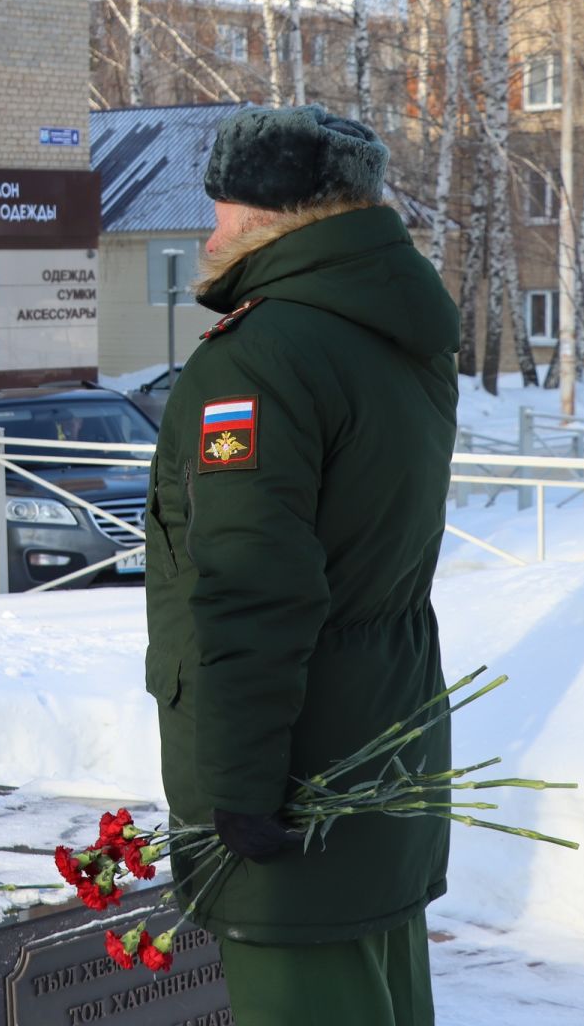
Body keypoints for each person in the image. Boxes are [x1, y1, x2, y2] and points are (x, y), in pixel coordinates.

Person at [144, 105, 458, 1024]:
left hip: (293, 771)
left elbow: (250, 589)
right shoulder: (392, 334)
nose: (210, 232)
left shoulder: (262, 358)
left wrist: (236, 790)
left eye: (220, 208)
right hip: (385, 738)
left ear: (269, 216)